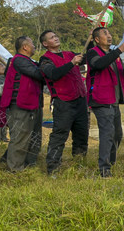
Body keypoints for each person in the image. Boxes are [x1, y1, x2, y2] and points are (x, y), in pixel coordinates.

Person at [85, 26, 124, 178]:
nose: (109, 36)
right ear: (97, 40)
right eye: (105, 34)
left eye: (109, 33)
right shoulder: (93, 53)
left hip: (114, 100)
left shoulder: (114, 55)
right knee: (107, 134)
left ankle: (111, 162)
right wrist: (118, 50)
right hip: (101, 99)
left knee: (117, 134)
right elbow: (98, 65)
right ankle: (104, 169)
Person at [39, 30, 88, 175]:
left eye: (56, 36)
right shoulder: (45, 60)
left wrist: (92, 38)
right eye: (52, 37)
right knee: (59, 135)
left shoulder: (69, 54)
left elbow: (86, 57)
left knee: (81, 134)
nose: (56, 38)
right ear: (45, 43)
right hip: (63, 102)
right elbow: (53, 74)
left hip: (80, 99)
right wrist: (72, 63)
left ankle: (79, 164)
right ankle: (53, 168)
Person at [0, 36, 46, 172]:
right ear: (24, 47)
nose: (34, 46)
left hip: (34, 103)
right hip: (21, 105)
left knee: (34, 136)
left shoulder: (29, 61)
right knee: (20, 136)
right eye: (32, 43)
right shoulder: (19, 60)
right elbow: (38, 74)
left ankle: (29, 164)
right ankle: (15, 168)